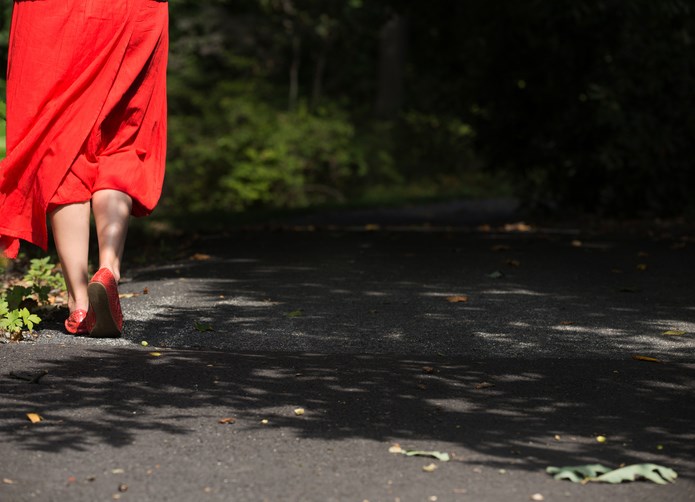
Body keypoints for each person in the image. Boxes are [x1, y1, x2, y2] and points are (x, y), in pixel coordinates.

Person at [0, 0, 169, 337]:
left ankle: (80, 302)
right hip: (136, 9)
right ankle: (108, 267)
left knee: (61, 140)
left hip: (53, 12)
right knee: (122, 138)